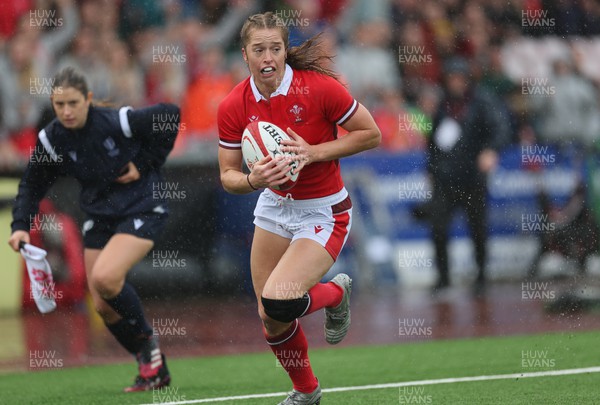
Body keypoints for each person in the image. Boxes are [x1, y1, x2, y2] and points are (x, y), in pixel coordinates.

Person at [217, 12, 381, 405]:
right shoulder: (233, 105)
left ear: (285, 51)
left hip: (324, 210)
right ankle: (307, 392)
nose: (268, 57)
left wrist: (313, 153)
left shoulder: (320, 88)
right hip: (274, 206)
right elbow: (228, 175)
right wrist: (254, 181)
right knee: (270, 315)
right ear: (245, 54)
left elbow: (371, 133)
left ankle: (335, 296)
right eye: (259, 50)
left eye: (275, 48)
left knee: (280, 299)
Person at [7, 66, 179, 392]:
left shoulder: (117, 121)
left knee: (105, 278)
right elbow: (31, 186)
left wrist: (143, 164)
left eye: (73, 103)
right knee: (102, 304)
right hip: (100, 215)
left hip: (142, 206)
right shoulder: (51, 138)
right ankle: (150, 365)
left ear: (87, 99)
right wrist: (20, 227)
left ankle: (150, 346)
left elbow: (170, 115)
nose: (67, 112)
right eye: (60, 105)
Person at [425, 57, 510, 295]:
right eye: (451, 78)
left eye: (459, 78)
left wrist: (491, 150)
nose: (455, 83)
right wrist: (431, 170)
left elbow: (501, 128)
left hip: (472, 176)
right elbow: (433, 142)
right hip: (445, 178)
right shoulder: (443, 105)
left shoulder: (482, 102)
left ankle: (481, 275)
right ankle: (443, 278)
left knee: (477, 228)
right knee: (439, 227)